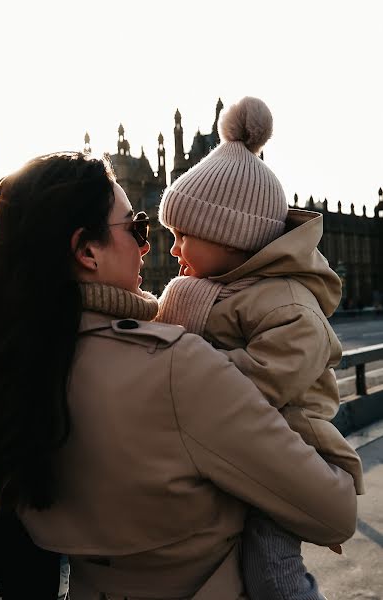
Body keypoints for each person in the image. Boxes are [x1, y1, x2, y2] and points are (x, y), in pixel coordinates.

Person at [0, 150, 357, 600]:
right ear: (87, 250)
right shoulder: (180, 368)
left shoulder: (16, 373)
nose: (149, 245)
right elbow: (334, 511)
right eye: (136, 228)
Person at [156, 96, 364, 600]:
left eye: (184, 235)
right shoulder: (224, 287)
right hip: (247, 450)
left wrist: (186, 368)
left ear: (232, 237)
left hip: (298, 450)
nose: (172, 249)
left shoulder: (290, 304)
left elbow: (259, 381)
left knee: (274, 576)